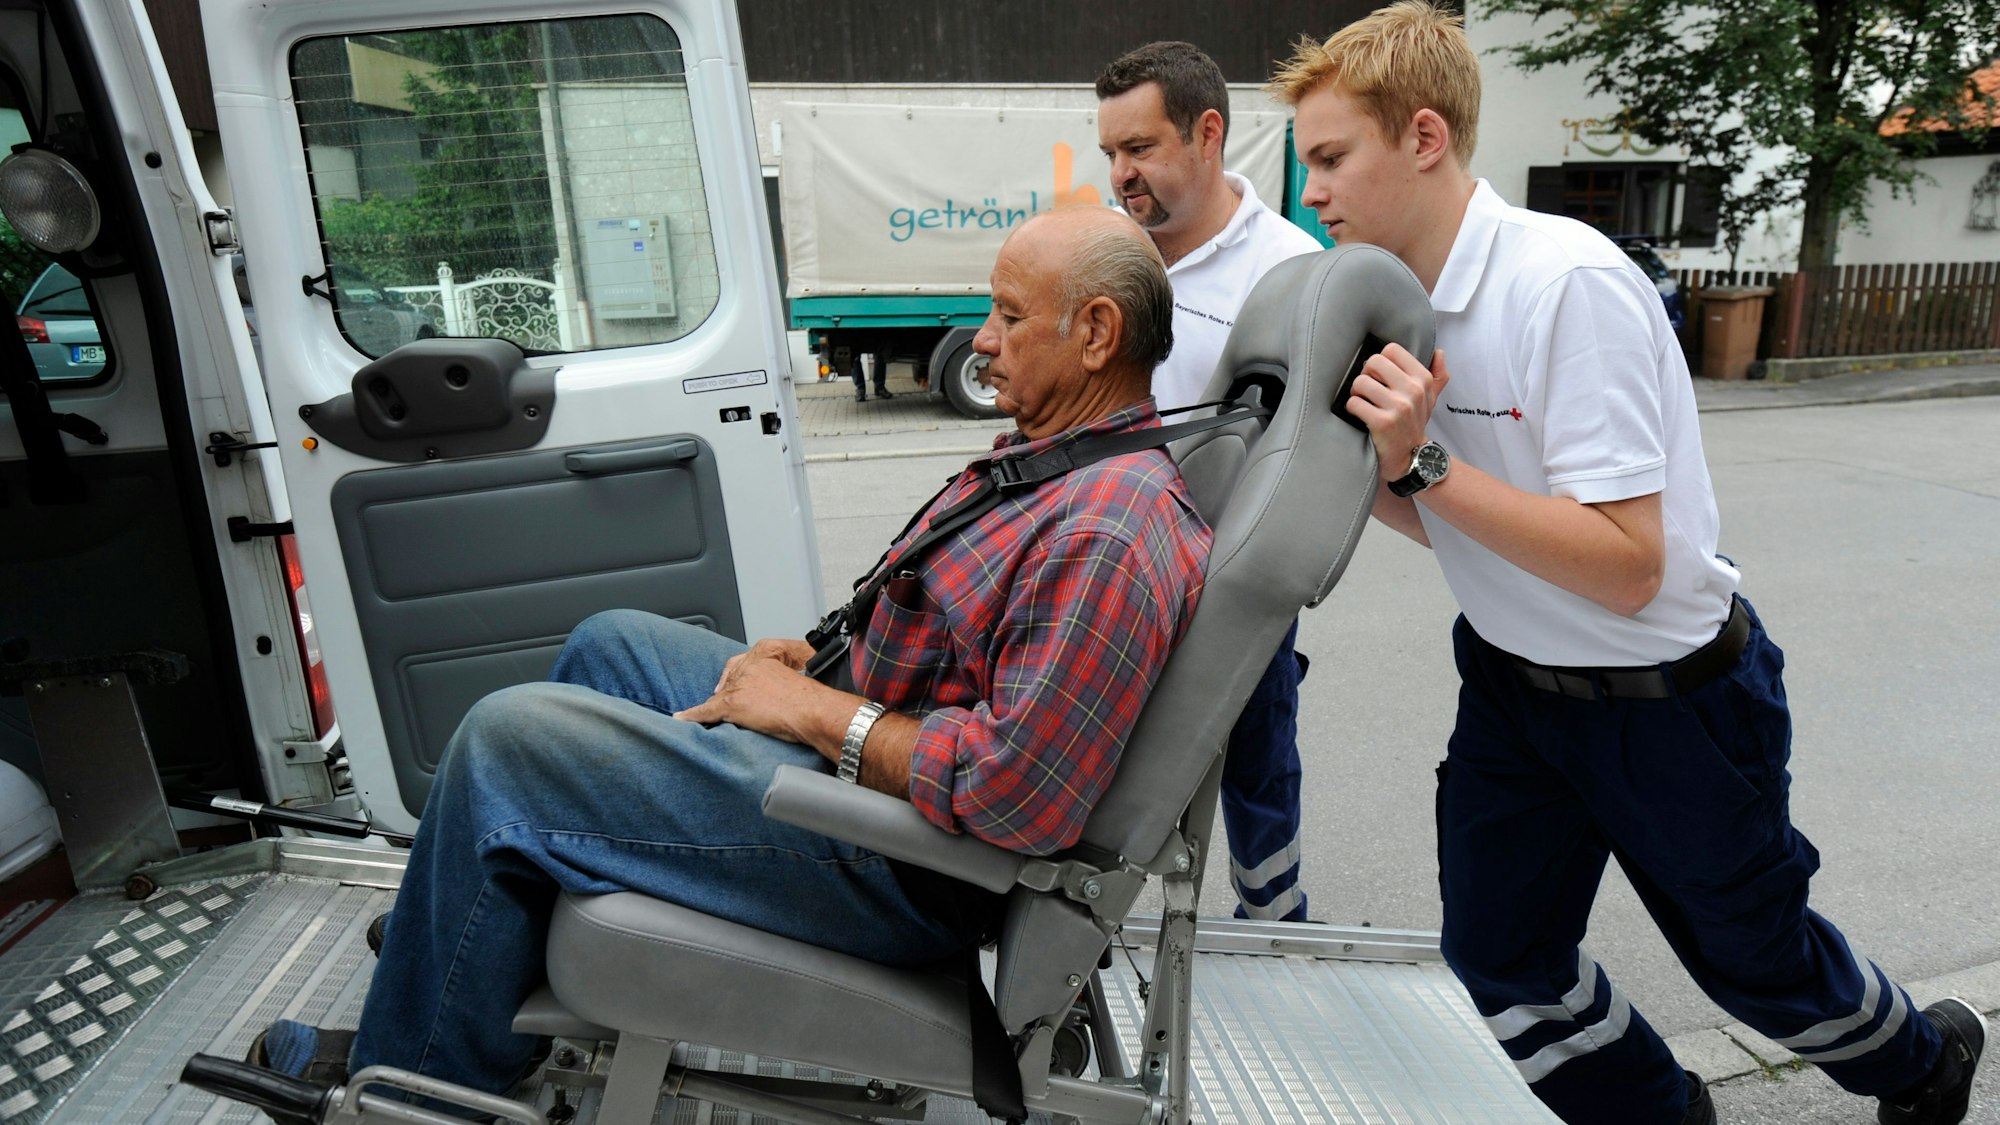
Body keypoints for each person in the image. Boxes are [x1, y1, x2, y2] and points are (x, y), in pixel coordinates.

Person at [247, 206, 1212, 1098]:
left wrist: (811, 711)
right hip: (877, 794)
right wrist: (827, 669)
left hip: (901, 864)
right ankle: (463, 970)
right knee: (610, 642)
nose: (984, 339)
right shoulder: (1066, 466)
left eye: (1008, 314)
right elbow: (966, 658)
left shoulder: (1110, 532)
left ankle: (415, 1081)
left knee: (505, 747)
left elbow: (1019, 793)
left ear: (1094, 332)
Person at [1270, 5, 1987, 1125]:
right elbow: (1451, 519)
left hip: (1673, 709)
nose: (1309, 191)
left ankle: (1921, 1058)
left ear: (1420, 137)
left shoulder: (1566, 285)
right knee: (1503, 961)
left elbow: (1624, 569)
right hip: (1512, 695)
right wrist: (1359, 470)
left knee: (1757, 971)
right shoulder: (1395, 309)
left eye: (1326, 158)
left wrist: (1422, 469)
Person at [1095, 41, 1323, 922]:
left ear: (1208, 134)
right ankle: (1079, 940)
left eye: (1141, 149)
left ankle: (1275, 921)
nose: (1121, 173)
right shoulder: (1109, 253)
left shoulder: (1292, 273)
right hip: (1115, 565)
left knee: (1259, 754)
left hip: (1238, 573)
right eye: (1111, 152)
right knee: (1097, 761)